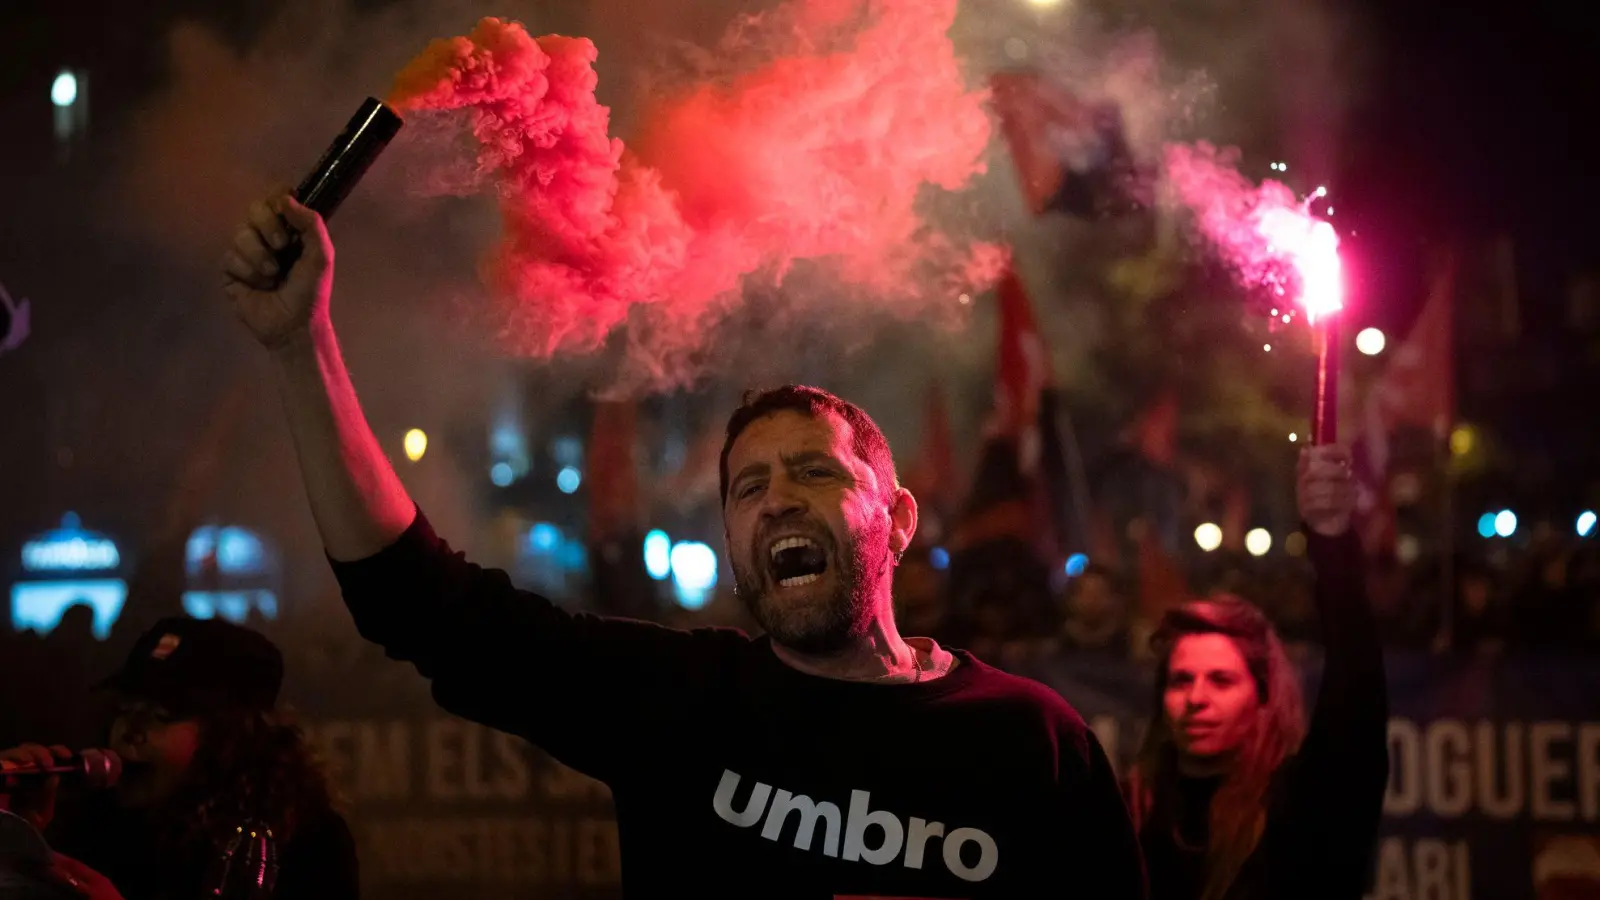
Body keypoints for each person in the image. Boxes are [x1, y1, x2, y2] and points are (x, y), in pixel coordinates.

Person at [219, 190, 1147, 897]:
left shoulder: (1034, 742)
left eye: (815, 473)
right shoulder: (679, 701)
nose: (778, 501)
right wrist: (301, 347)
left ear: (897, 518)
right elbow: (415, 601)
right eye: (749, 487)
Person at [1124, 446, 1388, 900]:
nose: (1196, 698)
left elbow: (1357, 692)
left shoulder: (1307, 803)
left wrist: (1331, 541)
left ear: (1264, 696)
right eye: (1181, 680)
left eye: (1221, 680)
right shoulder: (1130, 815)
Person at [1, 617, 357, 900]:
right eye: (125, 709)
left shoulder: (303, 844)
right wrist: (21, 842)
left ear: (233, 736)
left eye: (161, 714)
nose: (129, 731)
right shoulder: (92, 827)